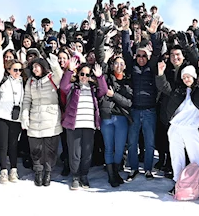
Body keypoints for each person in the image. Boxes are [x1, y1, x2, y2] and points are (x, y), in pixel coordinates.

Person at [156, 60, 199, 195]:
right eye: (184, 77)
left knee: (196, 155)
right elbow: (163, 86)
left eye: (188, 76)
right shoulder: (178, 90)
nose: (186, 79)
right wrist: (160, 73)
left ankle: (197, 181)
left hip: (191, 128)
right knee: (177, 156)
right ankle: (178, 182)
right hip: (175, 127)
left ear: (194, 77)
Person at [122, 16, 161, 181]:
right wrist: (125, 31)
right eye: (138, 56)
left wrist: (153, 34)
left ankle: (147, 169)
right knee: (132, 142)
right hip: (135, 110)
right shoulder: (133, 67)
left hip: (150, 110)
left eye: (144, 56)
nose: (141, 58)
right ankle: (132, 168)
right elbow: (126, 50)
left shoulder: (152, 68)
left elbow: (158, 50)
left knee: (149, 142)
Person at [60, 59, 108, 190]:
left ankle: (84, 175)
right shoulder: (73, 88)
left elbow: (103, 90)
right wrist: (70, 71)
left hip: (89, 125)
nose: (84, 77)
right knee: (75, 152)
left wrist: (100, 77)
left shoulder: (93, 89)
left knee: (87, 153)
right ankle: (75, 176)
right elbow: (63, 86)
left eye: (87, 75)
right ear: (78, 74)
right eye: (82, 74)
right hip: (74, 125)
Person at [21, 55, 63, 187]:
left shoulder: (51, 78)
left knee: (50, 148)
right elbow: (27, 99)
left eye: (37, 66)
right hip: (35, 118)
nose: (34, 69)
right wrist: (25, 115)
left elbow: (60, 76)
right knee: (36, 148)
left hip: (51, 118)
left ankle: (48, 171)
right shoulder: (30, 82)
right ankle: (38, 170)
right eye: (33, 67)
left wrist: (55, 64)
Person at [0, 33, 24, 183]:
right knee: (3, 145)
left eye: (19, 70)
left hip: (15, 118)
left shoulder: (23, 82)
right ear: (10, 69)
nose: (17, 72)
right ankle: (3, 170)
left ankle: (14, 170)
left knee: (13, 145)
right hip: (1, 116)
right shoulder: (2, 78)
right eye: (15, 70)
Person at [99, 54, 133, 187]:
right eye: (116, 63)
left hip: (121, 118)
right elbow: (100, 72)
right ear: (112, 65)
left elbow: (128, 102)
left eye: (121, 64)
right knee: (108, 147)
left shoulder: (128, 81)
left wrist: (114, 95)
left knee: (119, 149)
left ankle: (116, 170)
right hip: (107, 117)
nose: (118, 66)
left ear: (125, 66)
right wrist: (105, 58)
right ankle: (111, 175)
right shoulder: (107, 78)